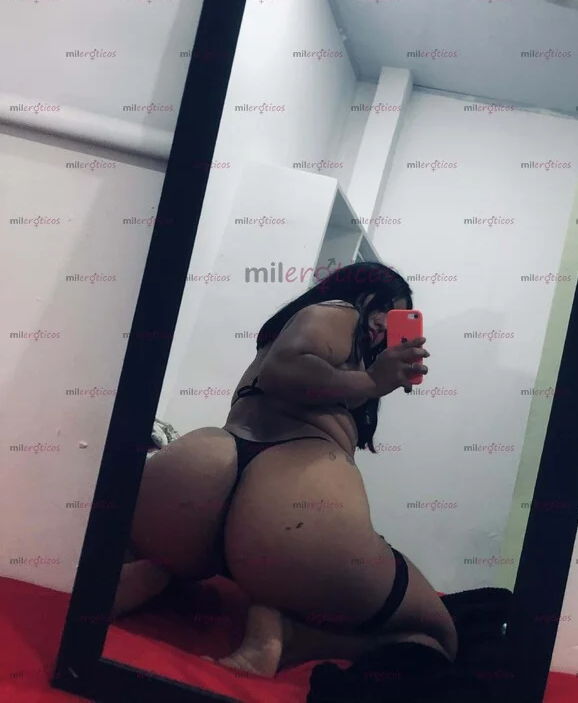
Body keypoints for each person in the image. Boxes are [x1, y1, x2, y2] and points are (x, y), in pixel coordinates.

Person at [113, 262, 458, 677]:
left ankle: (157, 569)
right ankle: (291, 637)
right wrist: (371, 383)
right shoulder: (339, 312)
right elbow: (284, 372)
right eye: (387, 308)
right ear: (360, 294)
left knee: (152, 540)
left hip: (200, 471)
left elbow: (281, 370)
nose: (387, 325)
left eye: (400, 317)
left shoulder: (307, 338)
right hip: (290, 496)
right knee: (439, 634)